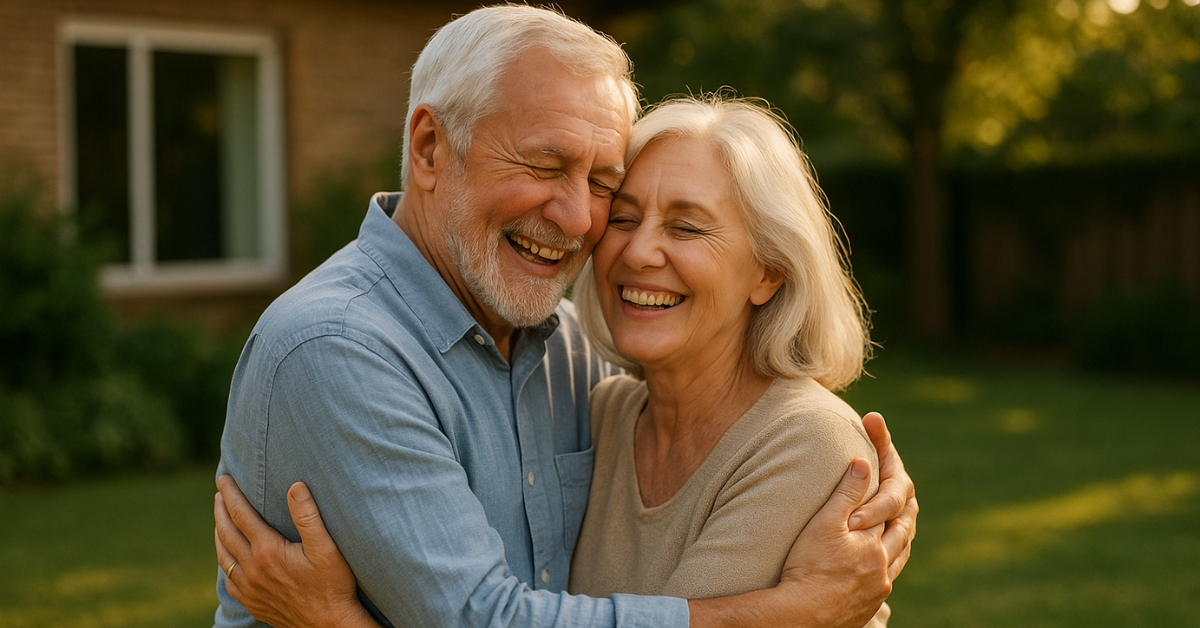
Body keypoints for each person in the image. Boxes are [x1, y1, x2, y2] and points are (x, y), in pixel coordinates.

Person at [213, 5, 917, 628]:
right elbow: (482, 619)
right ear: (430, 148)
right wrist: (800, 616)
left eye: (602, 182)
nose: (580, 218)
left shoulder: (567, 356)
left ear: (770, 270)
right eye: (545, 166)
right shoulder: (337, 349)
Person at [566, 95, 889, 628]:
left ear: (768, 272)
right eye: (622, 218)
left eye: (686, 228)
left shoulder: (809, 444)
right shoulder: (603, 414)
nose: (638, 252)